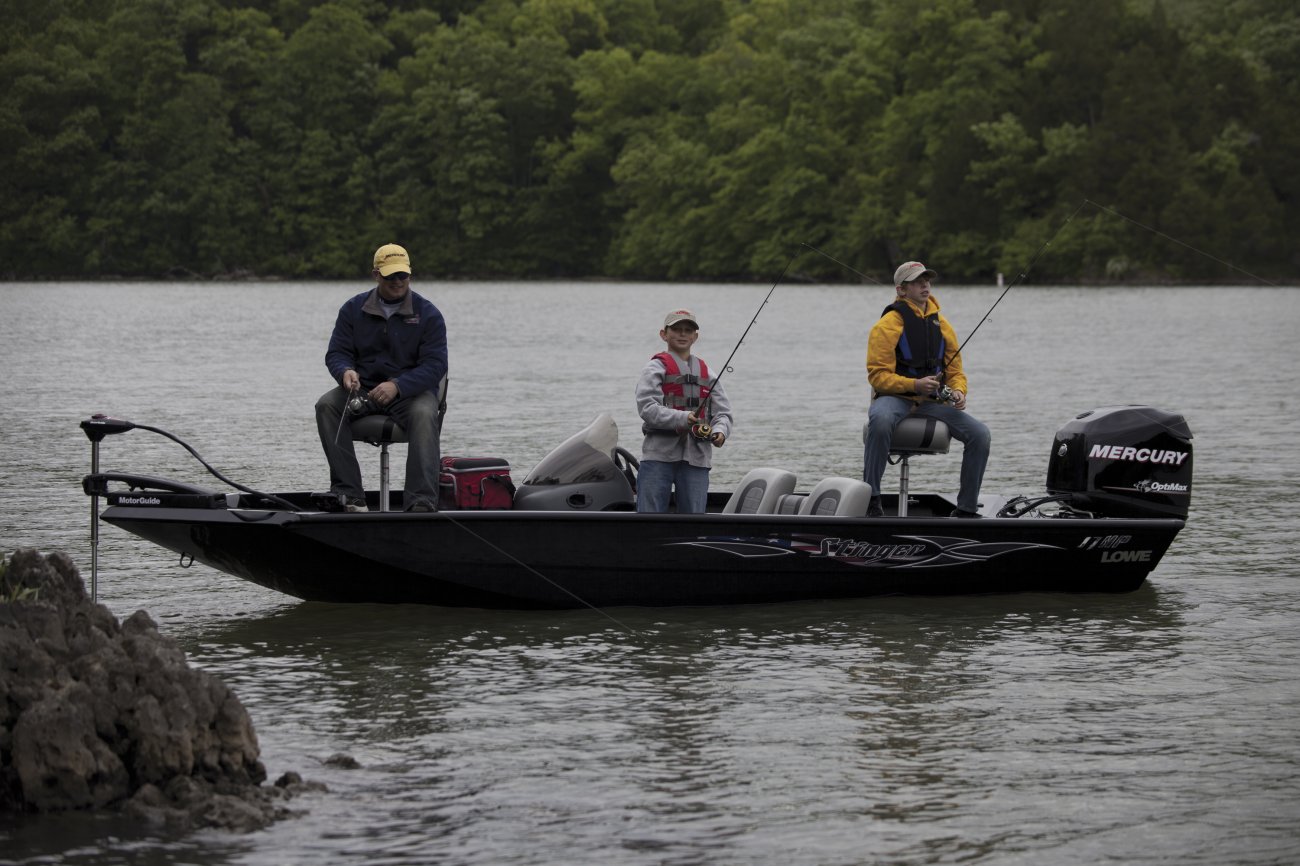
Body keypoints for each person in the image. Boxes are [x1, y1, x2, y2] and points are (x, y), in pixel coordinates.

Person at [314, 243, 448, 512]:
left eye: (403, 276)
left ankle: (421, 501)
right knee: (326, 405)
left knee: (424, 413)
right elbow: (336, 353)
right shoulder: (352, 309)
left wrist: (398, 386)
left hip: (411, 394)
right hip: (363, 391)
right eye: (390, 276)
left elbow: (435, 365)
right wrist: (345, 372)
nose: (398, 282)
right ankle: (349, 495)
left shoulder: (429, 314)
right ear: (376, 274)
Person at [863, 261, 991, 518]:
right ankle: (871, 498)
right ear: (901, 289)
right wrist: (914, 385)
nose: (925, 285)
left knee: (980, 434)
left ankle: (966, 509)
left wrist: (959, 392)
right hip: (894, 397)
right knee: (880, 420)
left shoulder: (943, 326)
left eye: (927, 280)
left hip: (932, 402)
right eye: (917, 281)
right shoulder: (886, 326)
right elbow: (878, 377)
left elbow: (955, 372)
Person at [635, 309, 733, 513]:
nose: (682, 334)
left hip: (696, 457)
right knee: (648, 516)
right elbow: (647, 408)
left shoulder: (708, 373)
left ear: (695, 337)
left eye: (688, 330)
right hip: (658, 456)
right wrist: (683, 418)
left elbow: (723, 413)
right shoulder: (654, 368)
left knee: (694, 518)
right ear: (664, 334)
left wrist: (720, 432)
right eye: (676, 329)